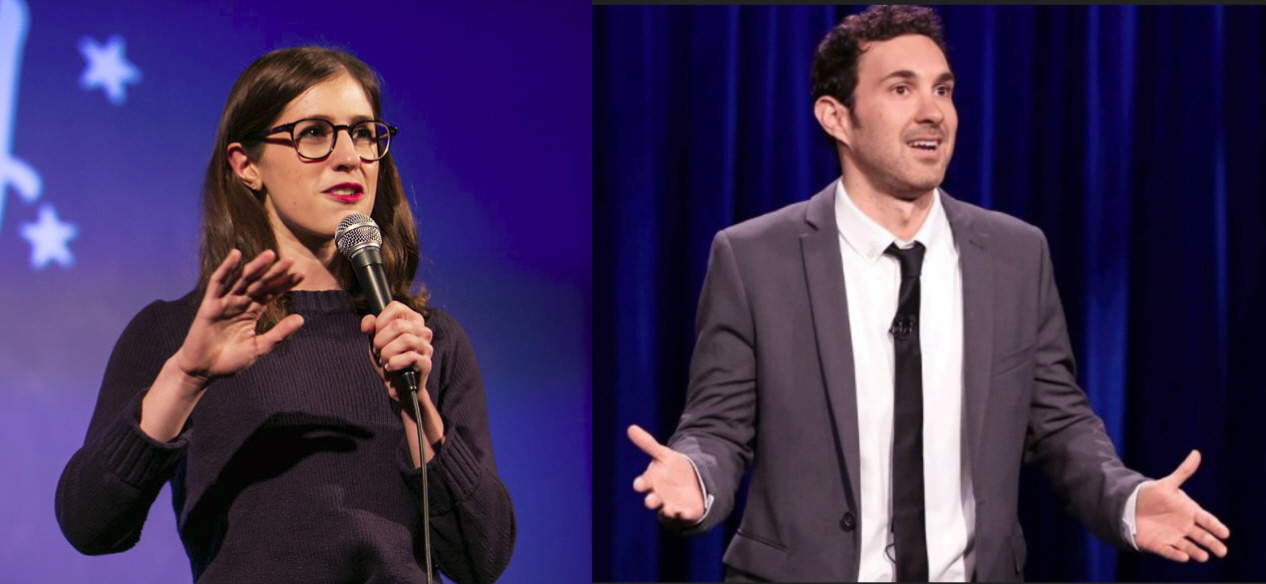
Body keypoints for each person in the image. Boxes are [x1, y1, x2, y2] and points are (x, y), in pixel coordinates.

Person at [626, 6, 1228, 582]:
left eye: (943, 90)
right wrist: (697, 477)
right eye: (900, 89)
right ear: (836, 116)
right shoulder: (754, 258)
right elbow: (720, 428)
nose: (933, 112)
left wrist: (1125, 498)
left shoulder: (1016, 254)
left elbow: (1059, 423)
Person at [55, 46, 515, 584]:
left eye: (364, 134)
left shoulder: (424, 341)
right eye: (315, 133)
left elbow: (481, 558)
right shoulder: (181, 333)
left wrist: (419, 414)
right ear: (246, 165)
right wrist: (186, 378)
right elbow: (89, 525)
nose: (350, 157)